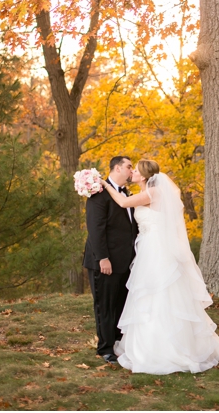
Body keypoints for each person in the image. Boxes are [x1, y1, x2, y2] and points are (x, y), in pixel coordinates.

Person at [102, 159, 219, 374]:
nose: (133, 173)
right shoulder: (148, 192)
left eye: (136, 171)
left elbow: (122, 203)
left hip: (156, 249)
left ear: (144, 175)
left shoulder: (154, 192)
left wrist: (105, 186)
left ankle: (165, 349)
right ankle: (147, 342)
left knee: (159, 292)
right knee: (149, 294)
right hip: (148, 247)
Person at [83, 156, 138, 365]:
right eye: (129, 167)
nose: (132, 170)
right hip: (105, 262)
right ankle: (105, 349)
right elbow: (95, 230)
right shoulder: (98, 194)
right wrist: (103, 258)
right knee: (104, 305)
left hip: (125, 261)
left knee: (120, 304)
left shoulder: (125, 194)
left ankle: (116, 342)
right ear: (116, 168)